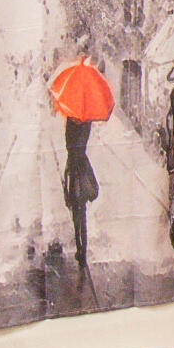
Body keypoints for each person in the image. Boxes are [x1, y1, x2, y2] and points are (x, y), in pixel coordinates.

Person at [48, 53, 113, 288]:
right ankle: (81, 248)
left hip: (74, 166)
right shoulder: (86, 123)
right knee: (80, 210)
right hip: (82, 164)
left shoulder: (71, 123)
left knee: (77, 211)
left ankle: (81, 249)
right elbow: (79, 145)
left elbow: (69, 146)